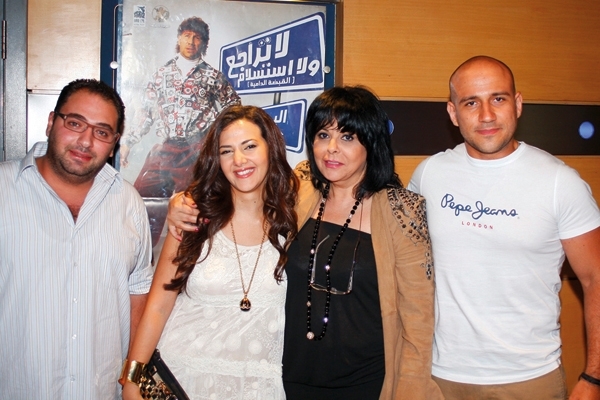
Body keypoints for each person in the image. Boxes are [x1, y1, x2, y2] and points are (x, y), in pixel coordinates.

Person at [167, 87, 443, 399]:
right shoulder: (300, 188)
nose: (332, 149)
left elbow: (418, 323)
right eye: (323, 135)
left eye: (347, 137)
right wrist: (184, 202)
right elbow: (239, 188)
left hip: (367, 384)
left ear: (371, 142)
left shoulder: (402, 211)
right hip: (289, 380)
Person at [408, 55, 600, 400]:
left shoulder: (560, 182)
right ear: (453, 112)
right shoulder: (428, 175)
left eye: (498, 99)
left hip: (530, 378)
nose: (486, 115)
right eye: (471, 102)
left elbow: (595, 279)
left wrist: (594, 377)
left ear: (518, 104)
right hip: (439, 377)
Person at [121, 105, 298, 400]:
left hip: (257, 387)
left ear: (271, 148)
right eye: (226, 151)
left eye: (250, 146)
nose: (239, 160)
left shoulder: (295, 220)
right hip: (182, 379)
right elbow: (159, 305)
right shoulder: (193, 217)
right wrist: (132, 380)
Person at [0, 79, 153, 399]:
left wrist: (132, 380)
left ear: (114, 143)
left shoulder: (128, 202)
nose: (85, 141)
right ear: (51, 122)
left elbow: (138, 292)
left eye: (102, 132)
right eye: (75, 123)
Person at [120, 16, 241, 246]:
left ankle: (188, 259)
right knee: (142, 198)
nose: (191, 42)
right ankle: (142, 256)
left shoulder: (213, 76)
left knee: (193, 208)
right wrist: (127, 143)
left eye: (197, 37)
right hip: (166, 149)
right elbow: (146, 113)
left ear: (203, 43)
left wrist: (217, 140)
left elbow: (233, 108)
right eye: (187, 36)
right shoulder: (162, 74)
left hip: (197, 151)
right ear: (179, 38)